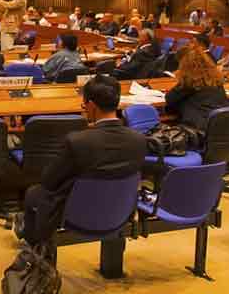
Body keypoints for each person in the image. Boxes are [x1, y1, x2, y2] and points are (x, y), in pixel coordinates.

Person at [15, 75, 148, 246]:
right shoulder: (138, 139)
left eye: (84, 104)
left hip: (77, 214)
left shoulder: (78, 141)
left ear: (91, 105)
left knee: (34, 192)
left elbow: (49, 181)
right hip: (120, 211)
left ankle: (35, 248)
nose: (84, 108)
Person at [165, 50, 229, 133]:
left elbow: (169, 99)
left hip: (199, 131)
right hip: (223, 128)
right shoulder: (216, 80)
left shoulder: (190, 81)